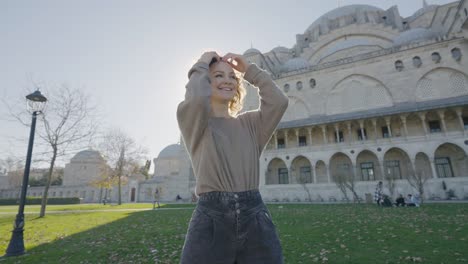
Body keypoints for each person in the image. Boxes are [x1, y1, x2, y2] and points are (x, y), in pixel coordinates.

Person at [177, 51, 288, 263]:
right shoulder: (195, 123)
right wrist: (202, 62)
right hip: (211, 221)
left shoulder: (251, 124)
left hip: (255, 219)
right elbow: (197, 98)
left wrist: (248, 70)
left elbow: (278, 102)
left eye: (231, 76)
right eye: (218, 75)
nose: (227, 80)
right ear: (206, 81)